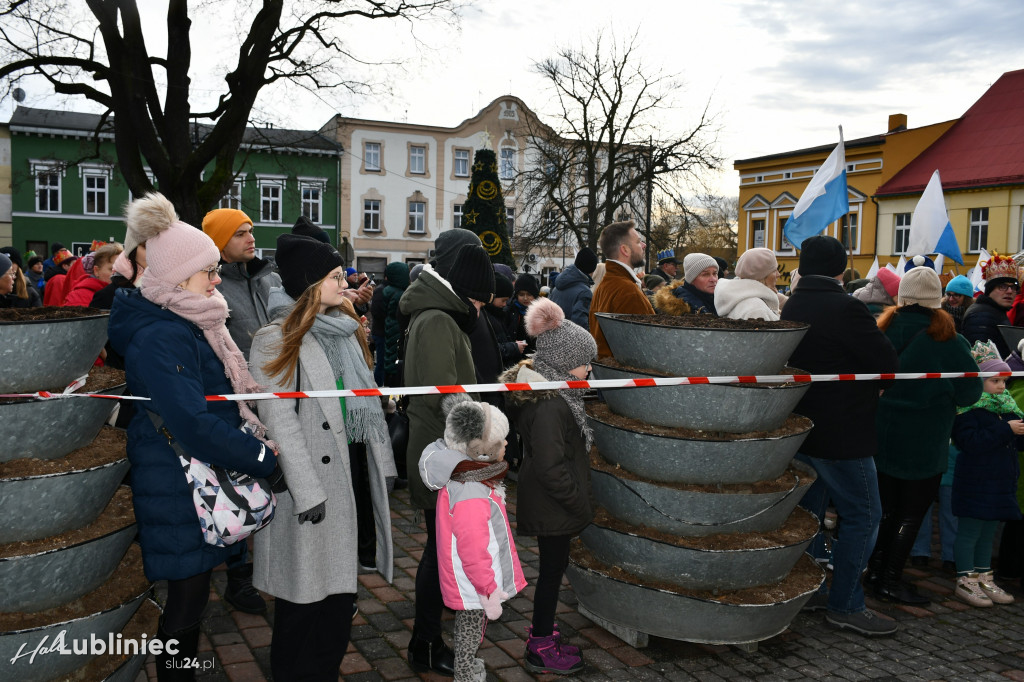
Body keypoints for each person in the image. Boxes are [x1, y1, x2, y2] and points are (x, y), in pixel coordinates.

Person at [106, 192, 278, 680]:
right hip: (178, 481)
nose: (217, 279)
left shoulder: (185, 320)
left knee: (190, 603)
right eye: (208, 272)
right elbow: (190, 422)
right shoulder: (163, 334)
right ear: (180, 278)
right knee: (184, 609)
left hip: (186, 479)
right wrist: (262, 458)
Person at [249, 232, 395, 680]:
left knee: (337, 604)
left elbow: (363, 404)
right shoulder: (275, 339)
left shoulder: (346, 329)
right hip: (308, 487)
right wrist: (307, 490)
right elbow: (280, 421)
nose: (344, 282)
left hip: (347, 472)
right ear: (310, 283)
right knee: (302, 605)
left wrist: (383, 464)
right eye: (335, 276)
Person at [780, 235, 900, 636]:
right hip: (843, 433)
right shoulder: (847, 307)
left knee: (810, 515)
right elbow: (886, 363)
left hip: (802, 428)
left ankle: (812, 588)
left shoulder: (793, 302)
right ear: (841, 269)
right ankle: (846, 603)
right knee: (864, 515)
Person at [400, 233, 494, 676]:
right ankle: (425, 642)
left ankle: (427, 638)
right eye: (478, 302)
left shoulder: (441, 315)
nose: (479, 311)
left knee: (440, 550)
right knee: (439, 555)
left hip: (447, 454)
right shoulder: (438, 320)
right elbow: (445, 399)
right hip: (442, 458)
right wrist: (480, 445)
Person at [868, 267, 982, 605]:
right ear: (938, 300)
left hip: (882, 435)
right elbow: (970, 393)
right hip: (925, 440)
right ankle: (890, 580)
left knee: (886, 510)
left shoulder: (880, 330)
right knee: (910, 514)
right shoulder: (948, 339)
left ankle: (875, 570)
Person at [500, 297, 596, 675]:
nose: (589, 369)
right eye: (584, 361)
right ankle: (540, 642)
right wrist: (579, 504)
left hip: (553, 503)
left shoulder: (556, 396)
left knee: (554, 571)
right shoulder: (552, 405)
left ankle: (544, 628)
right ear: (560, 362)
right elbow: (550, 466)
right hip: (554, 504)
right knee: (552, 573)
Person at [419, 399, 526, 682]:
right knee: (470, 626)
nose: (507, 445)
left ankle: (466, 667)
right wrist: (487, 587)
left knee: (472, 625)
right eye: (501, 441)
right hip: (473, 580)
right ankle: (465, 674)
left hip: (473, 577)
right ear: (482, 450)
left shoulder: (472, 475)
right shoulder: (471, 489)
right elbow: (472, 545)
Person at [950, 340, 1023, 607]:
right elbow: (971, 443)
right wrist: (1007, 430)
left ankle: (984, 576)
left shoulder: (1005, 410)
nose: (1002, 386)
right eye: (995, 381)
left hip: (999, 482)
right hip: (976, 481)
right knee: (970, 532)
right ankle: (965, 579)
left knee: (988, 531)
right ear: (978, 381)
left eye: (1004, 381)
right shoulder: (967, 410)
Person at [201, 208, 283, 360]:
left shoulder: (273, 279)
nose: (251, 239)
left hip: (284, 378)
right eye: (240, 234)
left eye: (250, 231)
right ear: (220, 243)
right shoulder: (210, 288)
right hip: (240, 380)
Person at [589, 220, 654, 358]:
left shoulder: (607, 283)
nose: (644, 245)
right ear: (625, 250)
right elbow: (645, 346)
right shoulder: (627, 290)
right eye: (638, 242)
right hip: (627, 376)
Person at [963, 252, 1018, 357]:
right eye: (1003, 286)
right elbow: (982, 359)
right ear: (989, 290)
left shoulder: (996, 311)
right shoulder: (981, 315)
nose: (1010, 291)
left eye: (1014, 287)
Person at [714, 247, 782, 321]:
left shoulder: (745, 301)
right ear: (760, 276)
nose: (778, 274)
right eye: (774, 270)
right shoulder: (756, 310)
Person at [549, 247, 597, 330]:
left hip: (553, 337)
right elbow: (580, 325)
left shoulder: (557, 287)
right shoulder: (584, 292)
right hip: (571, 341)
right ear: (592, 269)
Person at [380, 261, 410, 386]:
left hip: (390, 329)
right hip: (398, 331)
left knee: (390, 359)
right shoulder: (401, 295)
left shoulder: (387, 291)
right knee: (396, 363)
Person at [507, 274, 540, 353]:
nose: (525, 298)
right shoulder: (510, 311)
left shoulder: (540, 312)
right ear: (516, 295)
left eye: (529, 294)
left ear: (535, 295)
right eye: (521, 294)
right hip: (515, 354)